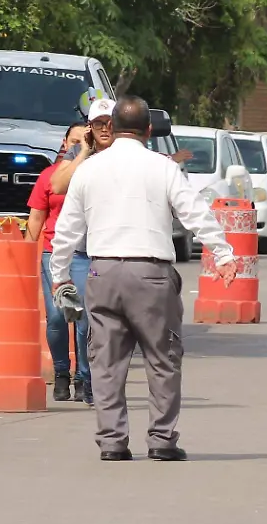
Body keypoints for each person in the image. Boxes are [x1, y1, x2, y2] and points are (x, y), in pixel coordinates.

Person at [49, 95, 238, 462]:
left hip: (102, 272)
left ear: (112, 128)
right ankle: (162, 441)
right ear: (148, 131)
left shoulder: (88, 169)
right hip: (151, 275)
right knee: (162, 359)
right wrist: (223, 252)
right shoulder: (163, 168)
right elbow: (194, 212)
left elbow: (67, 230)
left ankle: (112, 443)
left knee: (105, 361)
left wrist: (59, 276)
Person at [28, 117, 103, 404]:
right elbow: (36, 217)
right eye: (74, 141)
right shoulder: (50, 175)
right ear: (65, 144)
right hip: (53, 251)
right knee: (58, 316)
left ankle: (85, 378)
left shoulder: (100, 171)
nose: (79, 145)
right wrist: (26, 255)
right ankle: (62, 374)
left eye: (85, 140)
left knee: (83, 318)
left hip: (86, 254)